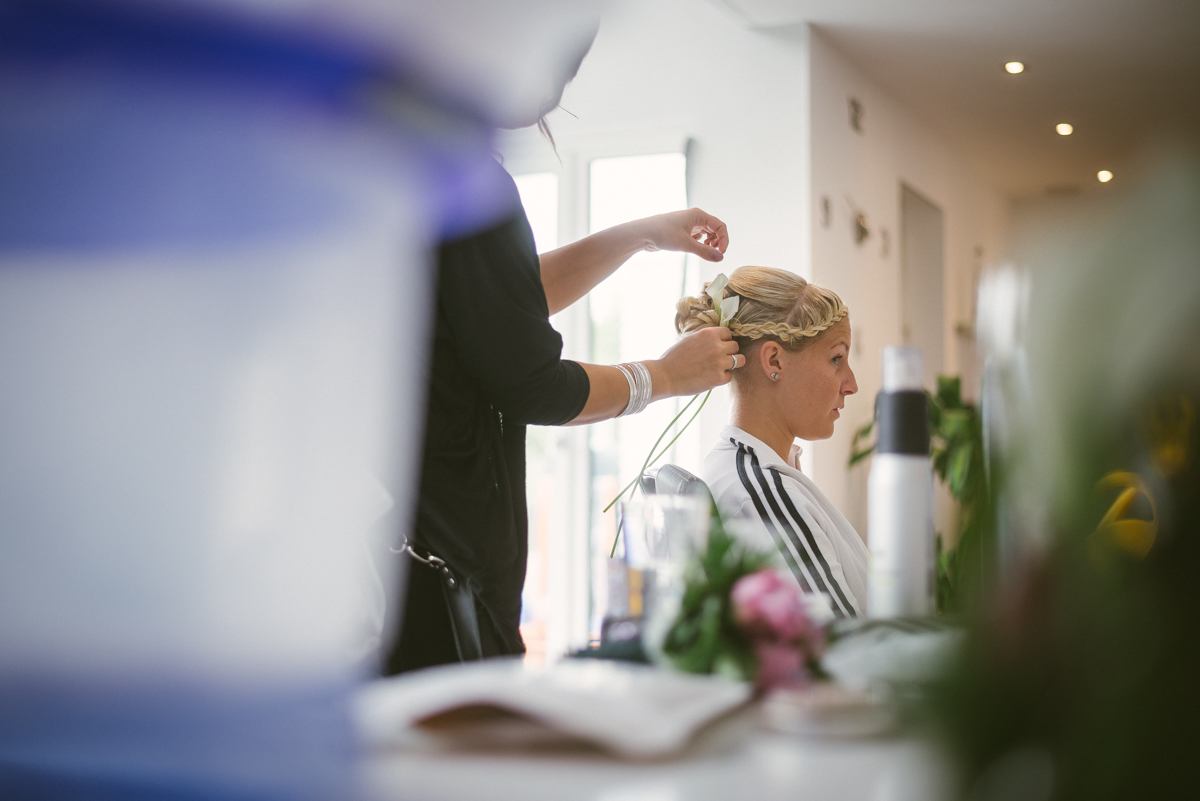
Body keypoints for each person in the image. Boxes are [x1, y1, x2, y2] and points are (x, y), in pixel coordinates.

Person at [383, 166, 744, 673]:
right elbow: (534, 385)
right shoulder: (460, 175)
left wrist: (641, 234)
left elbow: (498, 303)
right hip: (438, 562)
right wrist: (665, 375)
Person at [676, 266, 867, 618]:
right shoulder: (762, 492)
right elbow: (848, 644)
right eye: (836, 358)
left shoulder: (755, 473)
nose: (851, 383)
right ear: (774, 360)